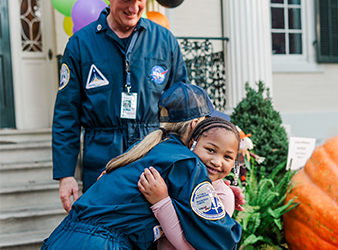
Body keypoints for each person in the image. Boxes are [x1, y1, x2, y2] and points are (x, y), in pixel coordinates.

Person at [42, 82, 241, 250]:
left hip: (62, 237)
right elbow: (222, 239)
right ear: (195, 124)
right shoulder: (186, 163)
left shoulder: (145, 148)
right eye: (209, 123)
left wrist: (217, 188)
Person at [52, 0, 189, 212]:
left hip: (151, 157)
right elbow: (66, 114)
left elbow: (183, 110)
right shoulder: (80, 43)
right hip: (101, 158)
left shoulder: (164, 41)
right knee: (102, 233)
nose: (133, 9)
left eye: (139, 1)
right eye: (126, 0)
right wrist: (66, 175)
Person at [138, 117, 241, 249]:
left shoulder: (222, 196)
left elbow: (191, 246)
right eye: (210, 150)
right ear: (192, 144)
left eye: (227, 157)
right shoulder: (179, 175)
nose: (217, 162)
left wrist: (161, 201)